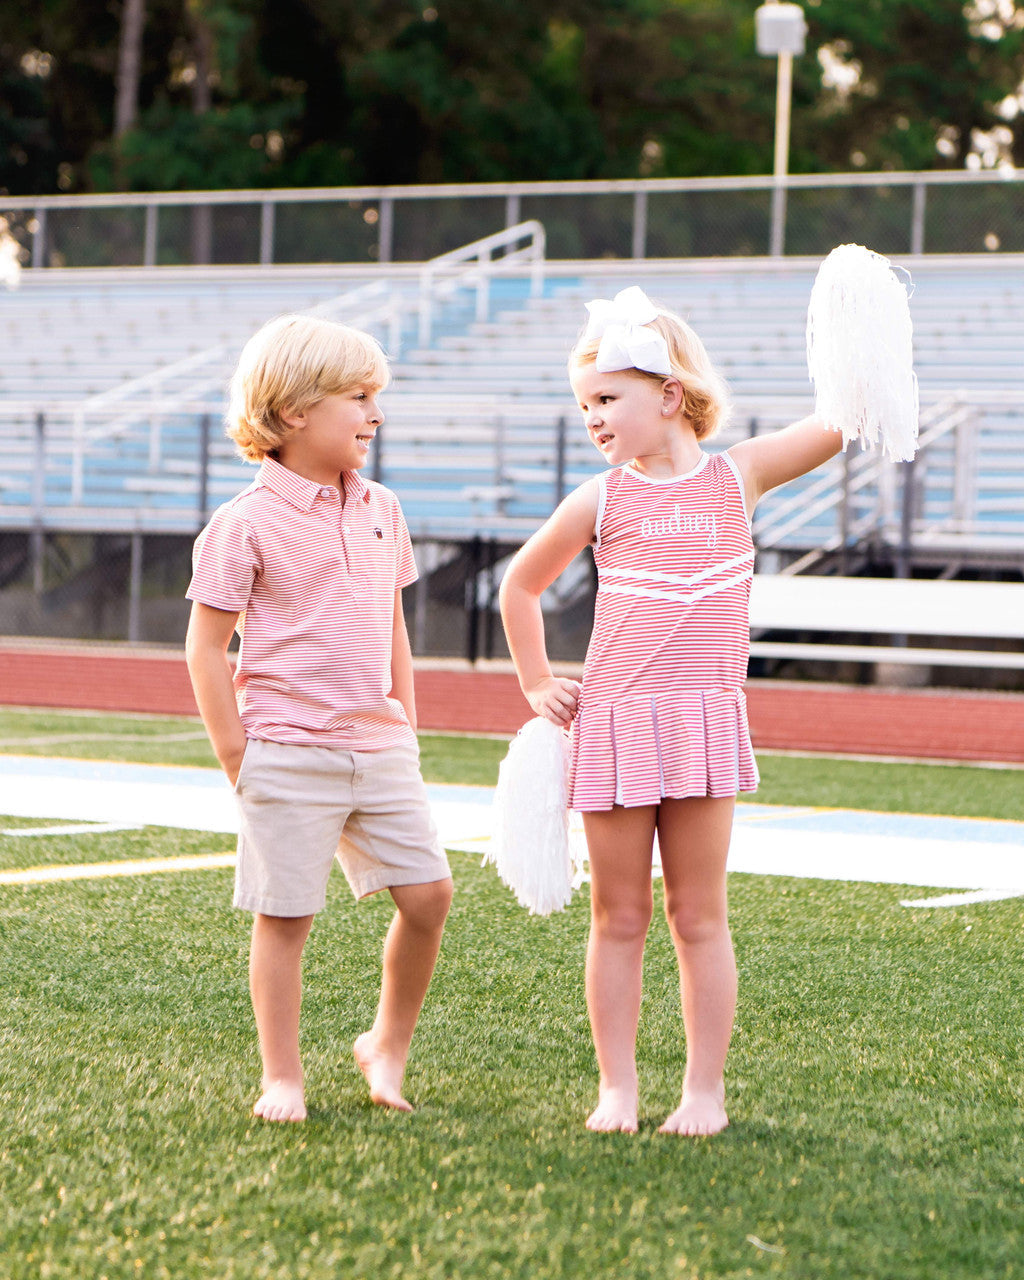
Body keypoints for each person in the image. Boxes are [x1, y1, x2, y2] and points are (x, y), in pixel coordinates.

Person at [499, 286, 842, 1136]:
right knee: (618, 916)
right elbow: (521, 586)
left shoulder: (741, 476)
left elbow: (837, 426)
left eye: (607, 399)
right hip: (615, 725)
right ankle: (616, 1091)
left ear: (670, 396)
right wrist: (538, 683)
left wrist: (855, 331)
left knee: (699, 915)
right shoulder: (599, 500)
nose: (594, 419)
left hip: (703, 724)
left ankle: (703, 1094)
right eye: (585, 406)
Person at [185, 313, 453, 1123]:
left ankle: (386, 1046)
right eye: (359, 396)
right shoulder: (243, 523)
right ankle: (283, 1078)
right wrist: (239, 758)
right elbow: (204, 650)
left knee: (431, 897)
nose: (375, 413)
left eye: (377, 396)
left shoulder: (385, 509)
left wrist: (406, 719)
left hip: (379, 747)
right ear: (295, 410)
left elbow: (392, 624)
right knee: (287, 917)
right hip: (286, 750)